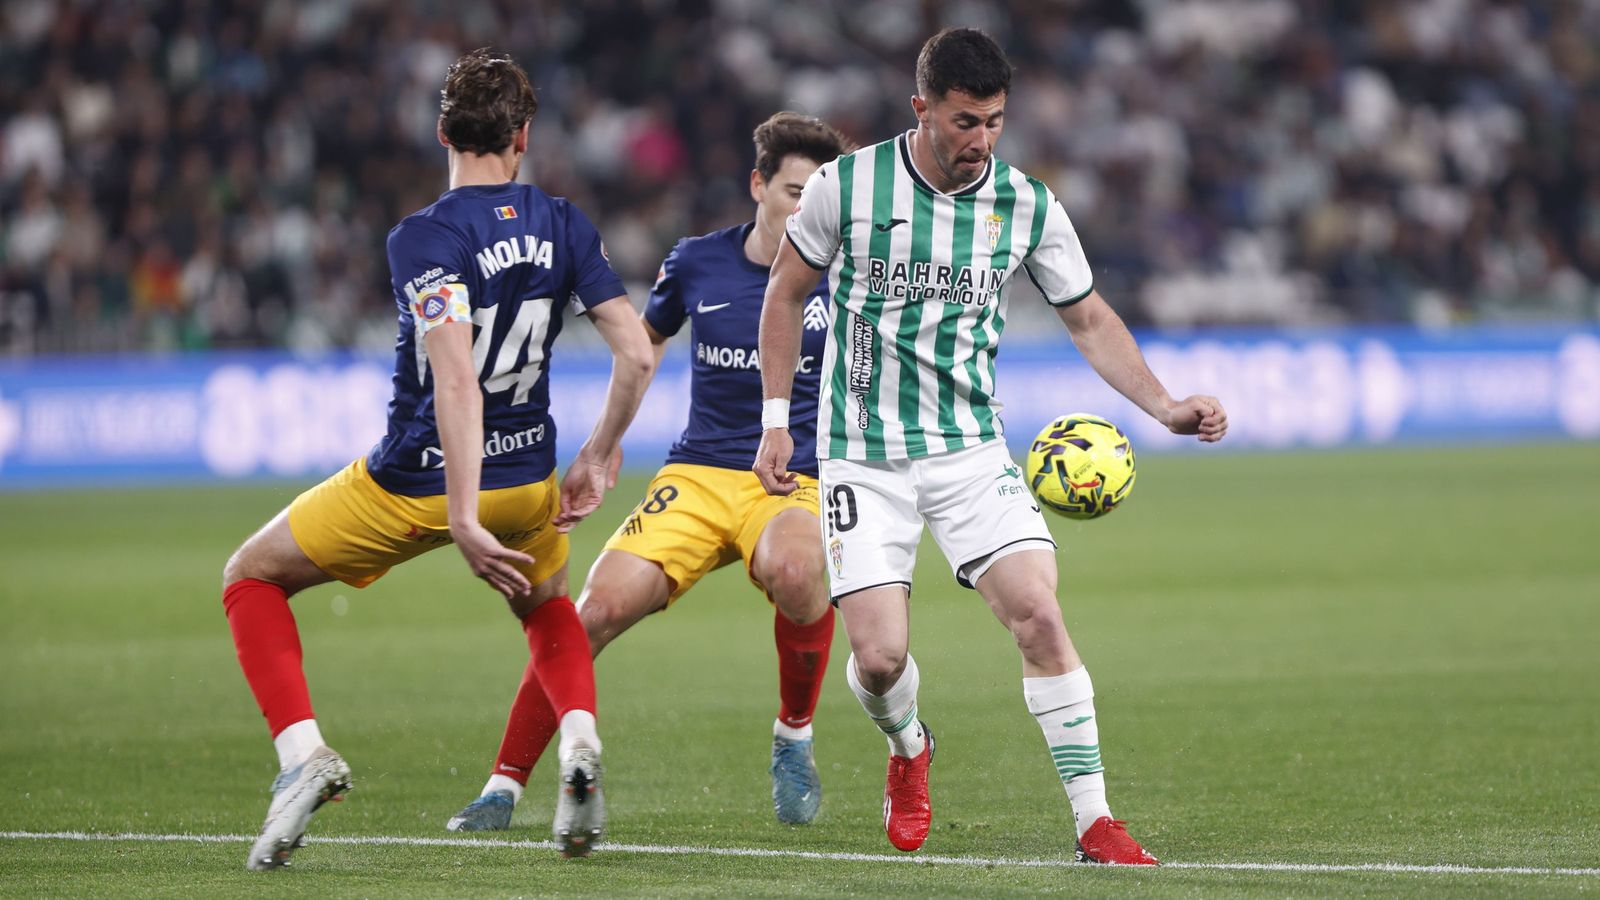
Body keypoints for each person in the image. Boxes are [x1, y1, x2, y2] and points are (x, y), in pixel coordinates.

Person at [753, 28, 1228, 863]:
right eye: (965, 121)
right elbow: (786, 295)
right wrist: (774, 419)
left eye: (995, 122)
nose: (980, 141)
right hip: (863, 454)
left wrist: (1163, 406)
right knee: (877, 657)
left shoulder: (1028, 205)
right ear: (922, 108)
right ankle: (909, 749)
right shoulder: (845, 187)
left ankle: (1095, 822)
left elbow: (1087, 316)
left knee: (1040, 614)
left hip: (971, 451)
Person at [220, 48, 654, 870]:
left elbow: (456, 379)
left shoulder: (425, 238)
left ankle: (302, 757)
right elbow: (634, 352)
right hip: (529, 480)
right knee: (547, 605)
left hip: (417, 481)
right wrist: (597, 456)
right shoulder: (564, 222)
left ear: (441, 132)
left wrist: (457, 513)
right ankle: (580, 742)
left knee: (251, 576)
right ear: (522, 136)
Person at [446, 112, 851, 833]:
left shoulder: (845, 277)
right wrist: (603, 446)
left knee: (796, 574)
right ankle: (502, 786)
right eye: (795, 191)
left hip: (794, 478)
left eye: (820, 196)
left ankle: (793, 734)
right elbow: (644, 346)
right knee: (590, 612)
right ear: (758, 186)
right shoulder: (697, 261)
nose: (807, 209)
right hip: (697, 474)